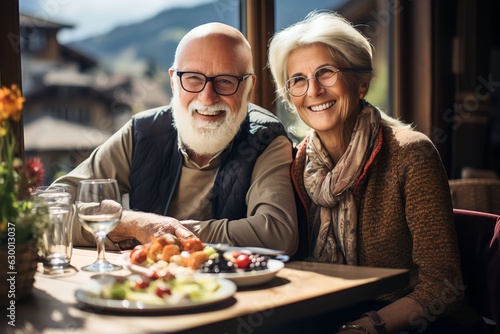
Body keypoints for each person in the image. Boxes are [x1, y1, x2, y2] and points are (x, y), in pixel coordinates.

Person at [267, 11, 487, 334]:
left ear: (361, 83)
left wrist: (366, 327)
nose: (312, 90)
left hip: (419, 322)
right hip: (334, 309)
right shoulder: (299, 164)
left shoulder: (411, 155)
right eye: (298, 80)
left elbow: (444, 286)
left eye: (325, 73)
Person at [53, 22, 298, 255]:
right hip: (147, 290)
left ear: (248, 86)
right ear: (173, 81)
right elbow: (51, 211)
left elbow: (277, 233)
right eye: (193, 78)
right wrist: (130, 224)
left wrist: (157, 231)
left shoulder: (267, 138)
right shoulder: (142, 132)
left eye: (225, 81)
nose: (207, 97)